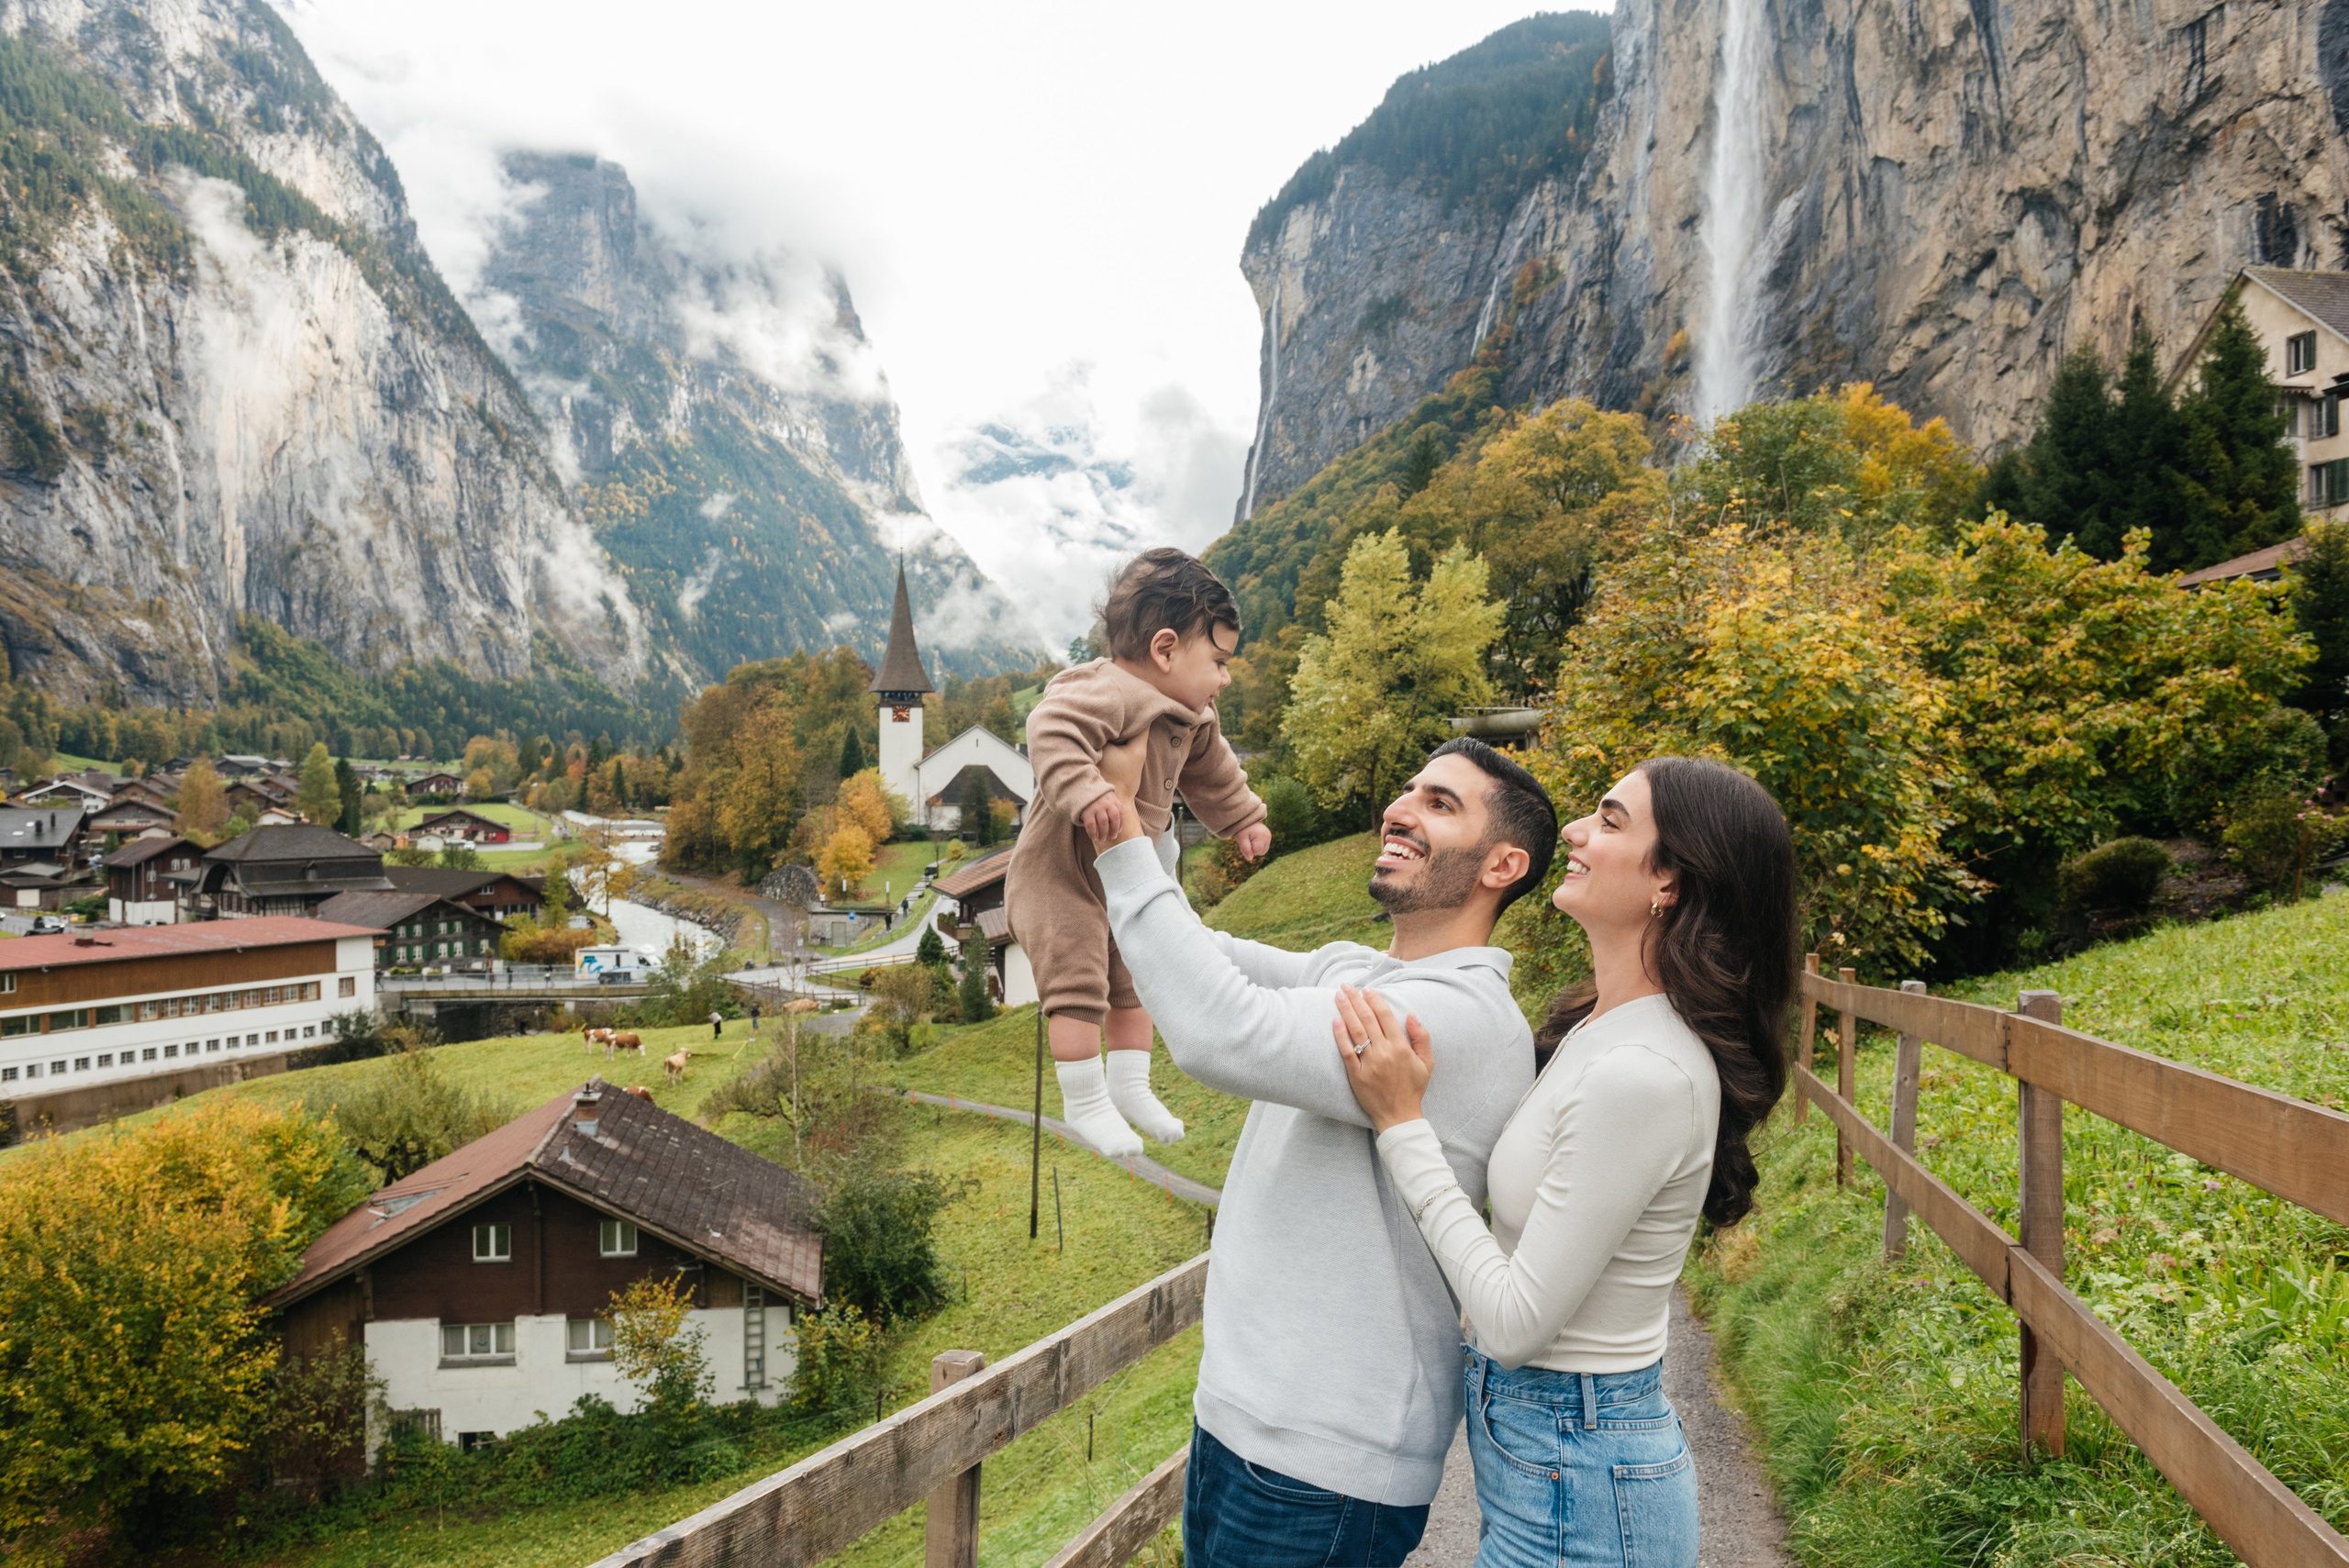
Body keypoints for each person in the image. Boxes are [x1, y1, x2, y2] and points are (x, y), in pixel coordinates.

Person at [1085, 735, 1556, 1567]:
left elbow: (1218, 1029)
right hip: (1238, 1420)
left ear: (1502, 865)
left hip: (1326, 1468)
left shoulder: (1463, 1018)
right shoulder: (1362, 973)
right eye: (1409, 790)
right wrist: (1149, 807)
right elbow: (1193, 953)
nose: (1400, 809)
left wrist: (1121, 839)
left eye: (1440, 804)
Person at [1333, 757, 1798, 1568]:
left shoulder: (1644, 1073)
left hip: (1582, 1488)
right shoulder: (1600, 1025)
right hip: (1560, 1461)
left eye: (1611, 821)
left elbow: (1514, 1323)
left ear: (1672, 883)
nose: (1575, 832)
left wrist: (1402, 1124)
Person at [1007, 548, 1270, 1158]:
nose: (1225, 677)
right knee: (1078, 980)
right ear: (1166, 648)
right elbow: (1049, 730)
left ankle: (1130, 1084)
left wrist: (1245, 817)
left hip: (1126, 873)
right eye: (1219, 661)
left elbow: (1215, 773)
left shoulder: (1193, 713)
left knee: (1136, 977)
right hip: (1062, 873)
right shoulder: (1109, 690)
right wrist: (1087, 788)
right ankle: (1085, 1098)